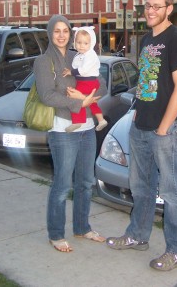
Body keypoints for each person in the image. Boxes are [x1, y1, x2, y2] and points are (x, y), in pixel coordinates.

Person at [106, 0, 177, 272]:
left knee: (172, 191)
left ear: (169, 8)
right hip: (141, 124)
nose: (150, 11)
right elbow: (146, 81)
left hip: (165, 129)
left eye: (157, 6)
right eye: (147, 6)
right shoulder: (146, 39)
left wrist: (164, 128)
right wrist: (136, 112)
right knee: (141, 187)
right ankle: (138, 235)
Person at [33, 14, 107, 253]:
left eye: (66, 30)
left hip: (87, 130)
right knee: (63, 185)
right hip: (63, 130)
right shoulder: (44, 61)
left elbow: (102, 84)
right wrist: (79, 103)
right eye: (57, 31)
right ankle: (56, 234)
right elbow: (47, 95)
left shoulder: (81, 55)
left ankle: (82, 227)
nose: (62, 35)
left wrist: (88, 94)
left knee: (85, 183)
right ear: (50, 33)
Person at [62, 26, 107, 133]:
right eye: (79, 42)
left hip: (88, 81)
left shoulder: (90, 55)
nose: (81, 46)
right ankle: (101, 120)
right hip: (87, 81)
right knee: (92, 103)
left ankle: (78, 121)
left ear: (91, 43)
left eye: (85, 43)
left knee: (75, 98)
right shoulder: (80, 54)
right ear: (74, 42)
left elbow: (83, 70)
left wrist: (71, 72)